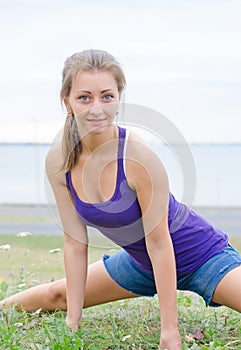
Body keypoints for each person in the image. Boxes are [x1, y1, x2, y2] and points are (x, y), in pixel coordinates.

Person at [1, 49, 241, 350]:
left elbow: (159, 242)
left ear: (118, 98)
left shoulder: (137, 156)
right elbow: (75, 242)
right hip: (141, 265)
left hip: (201, 256)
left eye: (107, 96)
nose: (96, 108)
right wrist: (72, 322)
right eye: (84, 97)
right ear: (68, 102)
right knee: (54, 297)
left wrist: (170, 332)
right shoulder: (58, 160)